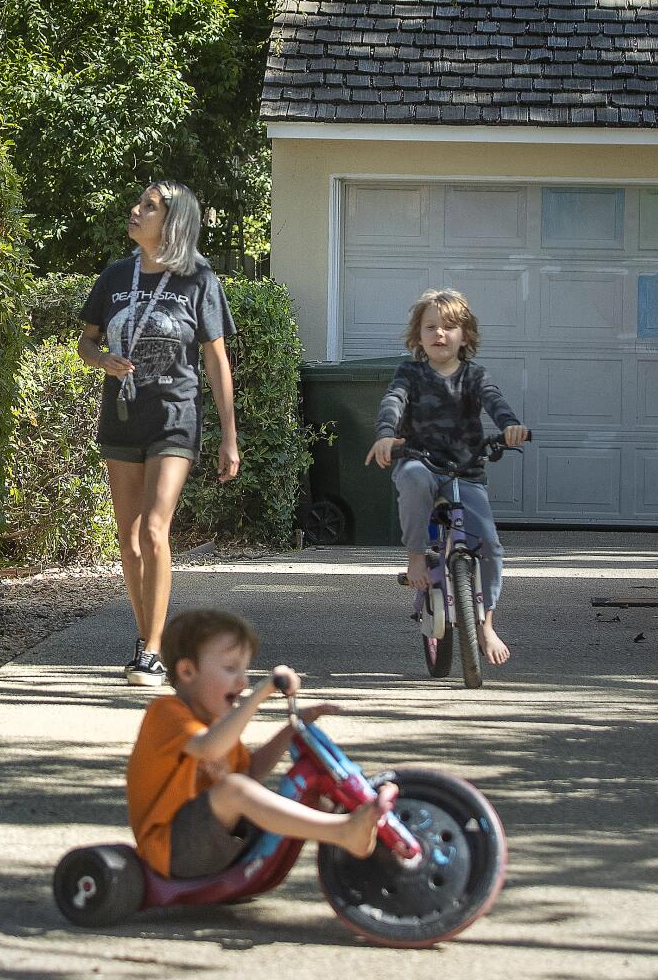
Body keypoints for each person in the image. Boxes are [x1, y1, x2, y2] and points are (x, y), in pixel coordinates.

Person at [78, 181, 239, 687]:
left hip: (175, 417)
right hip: (122, 418)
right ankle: (145, 635)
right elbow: (86, 341)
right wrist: (101, 359)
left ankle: (152, 649)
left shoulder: (198, 278)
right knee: (127, 538)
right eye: (139, 203)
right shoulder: (115, 276)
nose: (136, 210)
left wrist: (229, 435)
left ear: (173, 221)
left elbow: (215, 358)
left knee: (153, 529)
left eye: (149, 206)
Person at [126, 608, 393, 879]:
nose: (242, 680)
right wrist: (260, 693)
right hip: (172, 850)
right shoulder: (166, 713)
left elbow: (250, 771)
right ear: (187, 671)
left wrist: (291, 729)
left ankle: (370, 845)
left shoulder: (218, 724)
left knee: (304, 792)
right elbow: (209, 749)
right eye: (230, 669)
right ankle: (343, 832)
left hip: (223, 840)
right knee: (233, 789)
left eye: (244, 670)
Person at [364, 288, 528, 666]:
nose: (440, 334)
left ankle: (486, 623)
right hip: (418, 459)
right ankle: (417, 557)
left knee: (488, 543)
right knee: (416, 482)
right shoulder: (411, 372)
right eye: (431, 327)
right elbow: (393, 400)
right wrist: (386, 433)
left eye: (450, 327)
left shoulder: (474, 376)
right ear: (418, 336)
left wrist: (511, 426)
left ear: (465, 336)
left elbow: (495, 402)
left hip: (464, 469)